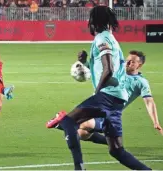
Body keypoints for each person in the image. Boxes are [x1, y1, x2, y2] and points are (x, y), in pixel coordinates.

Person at [46, 6, 151, 170]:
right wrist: (87, 61)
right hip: (117, 100)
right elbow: (112, 68)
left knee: (67, 122)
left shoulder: (102, 38)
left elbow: (108, 69)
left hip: (107, 96)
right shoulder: (111, 38)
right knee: (116, 150)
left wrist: (98, 91)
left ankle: (79, 168)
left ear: (95, 22)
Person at [52, 50, 163, 146]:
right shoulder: (116, 70)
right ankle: (111, 141)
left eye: (132, 62)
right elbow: (96, 68)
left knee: (81, 125)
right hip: (97, 104)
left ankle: (61, 123)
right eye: (127, 60)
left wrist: (156, 121)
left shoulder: (141, 82)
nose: (128, 63)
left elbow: (149, 101)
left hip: (109, 111)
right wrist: (84, 61)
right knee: (82, 134)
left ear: (139, 65)